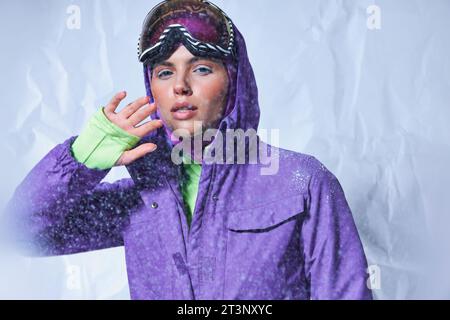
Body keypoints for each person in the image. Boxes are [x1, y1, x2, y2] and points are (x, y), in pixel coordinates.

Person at [3, 0, 372, 300]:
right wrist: (80, 160)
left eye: (201, 69)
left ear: (235, 80)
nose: (180, 85)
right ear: (151, 90)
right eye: (164, 72)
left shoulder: (301, 184)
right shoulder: (142, 201)